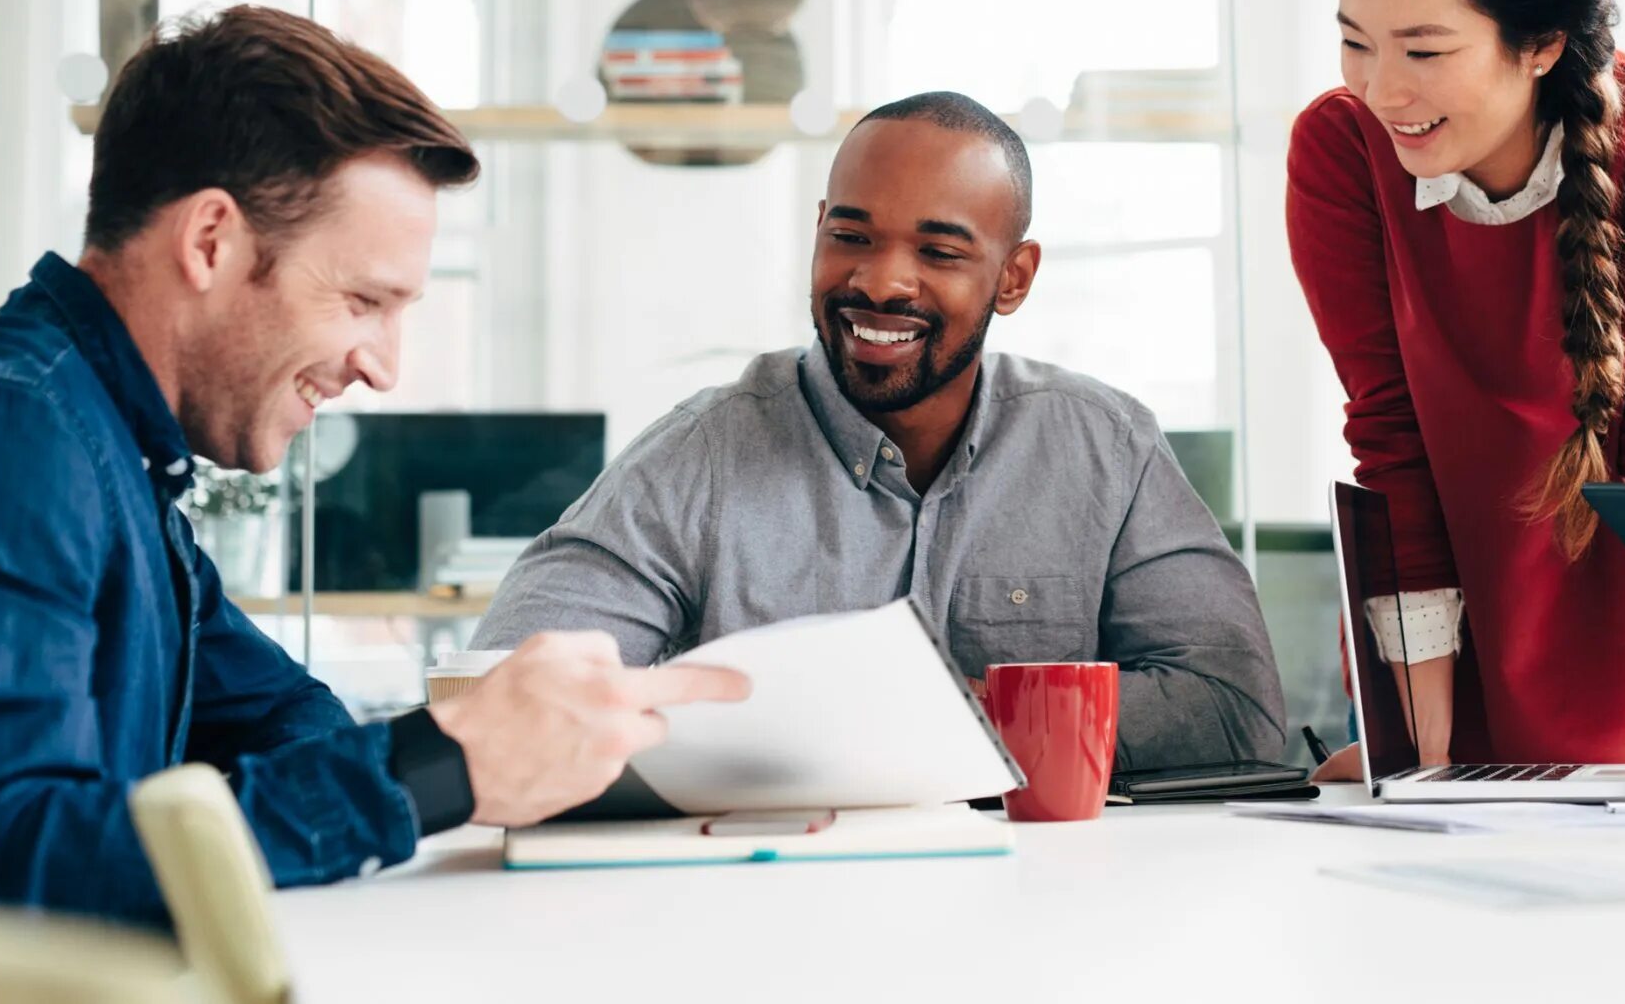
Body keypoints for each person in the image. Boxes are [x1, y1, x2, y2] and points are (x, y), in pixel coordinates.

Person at [0, 7, 748, 921]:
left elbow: (284, 712)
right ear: (210, 240)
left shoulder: (120, 457)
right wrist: (445, 764)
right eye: (361, 300)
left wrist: (466, 757)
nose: (382, 366)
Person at [477, 91, 1286, 769]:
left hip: (1044, 913)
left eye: (938, 250)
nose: (880, 280)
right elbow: (498, 698)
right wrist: (1027, 715)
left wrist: (911, 709)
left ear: (1014, 276)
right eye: (851, 237)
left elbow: (1235, 709)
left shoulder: (1105, 448)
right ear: (820, 228)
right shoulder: (699, 457)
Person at [1287, 0, 1625, 774]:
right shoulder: (1340, 150)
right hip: (1435, 659)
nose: (1381, 88)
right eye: (1356, 43)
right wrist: (1416, 761)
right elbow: (1390, 442)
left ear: (1539, 44)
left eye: (1423, 50)